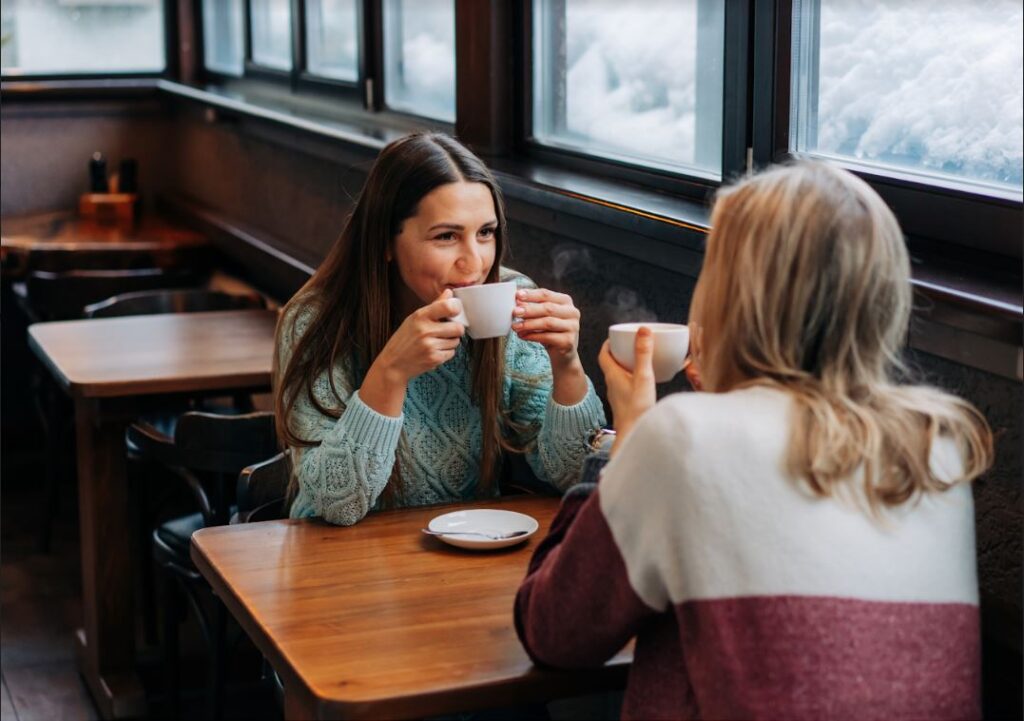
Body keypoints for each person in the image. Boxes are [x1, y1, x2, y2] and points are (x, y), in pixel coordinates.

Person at [514, 162, 993, 720]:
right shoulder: (937, 445)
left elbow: (553, 631)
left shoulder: (684, 437)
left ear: (732, 295)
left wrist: (625, 443)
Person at [273, 132, 605, 526]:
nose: (475, 262)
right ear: (385, 242)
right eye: (446, 236)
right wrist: (391, 372)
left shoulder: (514, 301)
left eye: (485, 233)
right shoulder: (316, 322)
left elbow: (574, 476)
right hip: (336, 558)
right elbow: (338, 504)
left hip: (468, 551)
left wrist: (567, 363)